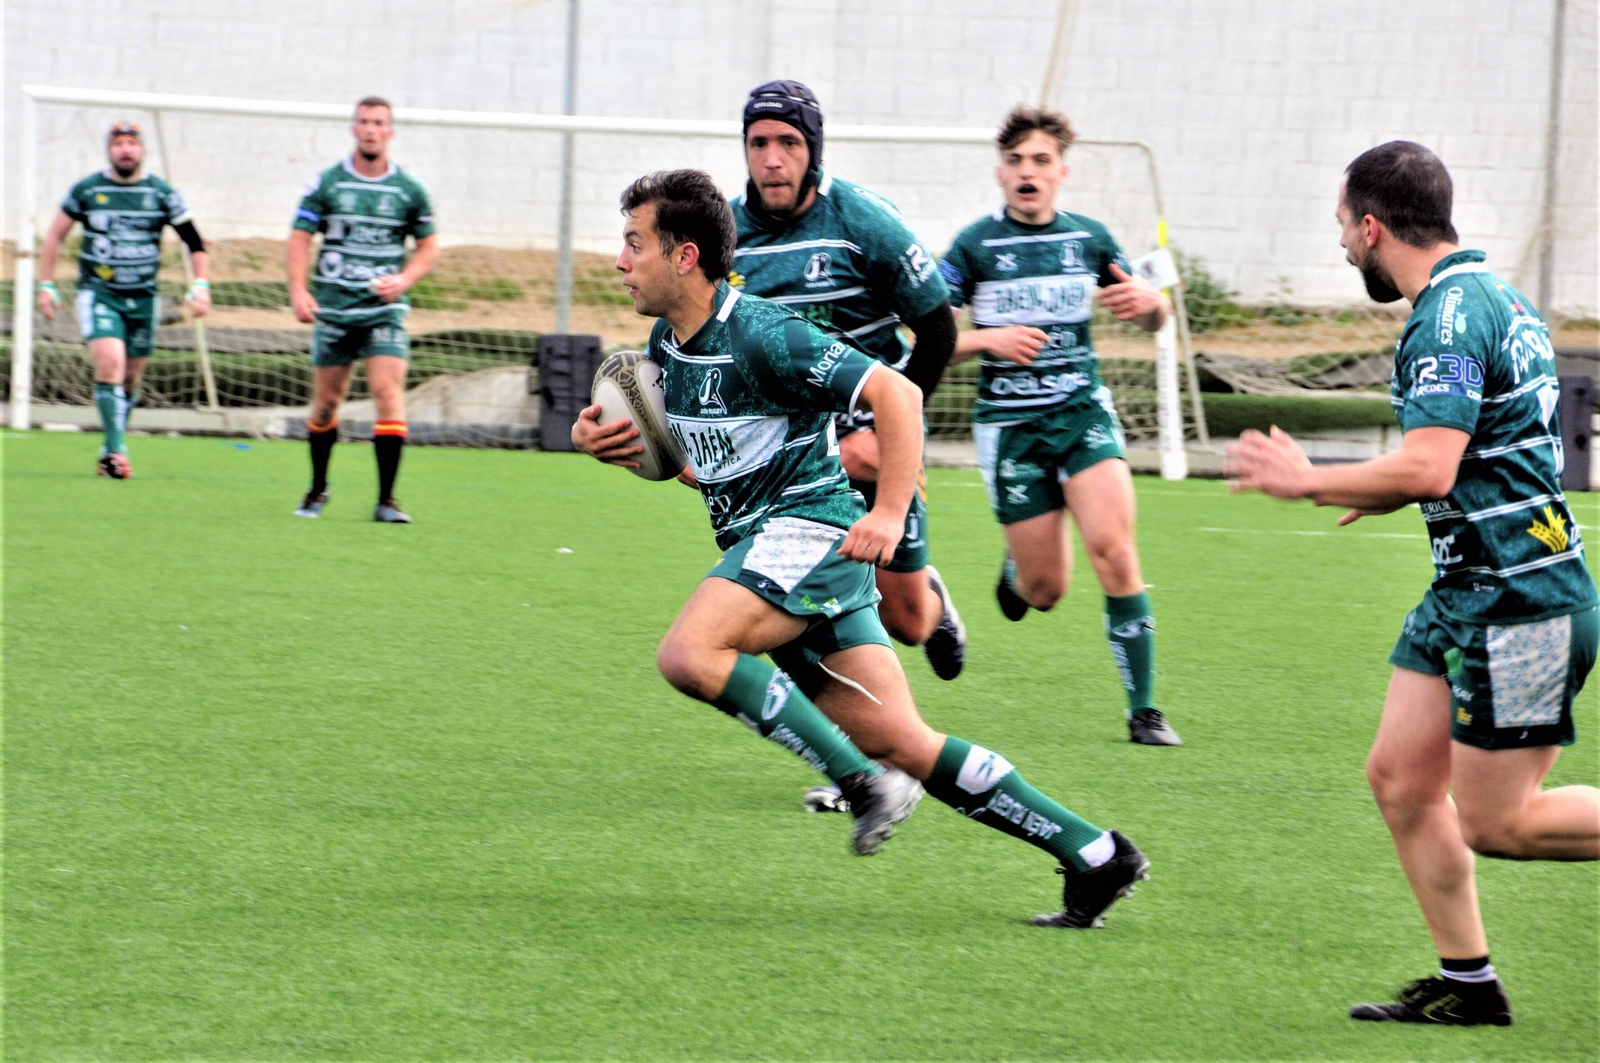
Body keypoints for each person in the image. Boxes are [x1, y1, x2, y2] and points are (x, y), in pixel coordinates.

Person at [572, 168, 1152, 929]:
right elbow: (709, 468)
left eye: (633, 242)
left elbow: (897, 395)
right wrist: (615, 446)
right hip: (773, 545)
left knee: (690, 653)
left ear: (684, 256)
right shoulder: (666, 347)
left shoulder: (765, 333)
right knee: (907, 741)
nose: (620, 260)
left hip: (808, 535)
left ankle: (857, 778)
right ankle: (1097, 853)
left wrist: (886, 511)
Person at [1229, 140, 1597, 1026]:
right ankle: (1470, 985)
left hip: (1520, 601)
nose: (1344, 249)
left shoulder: (1443, 318)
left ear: (1372, 224)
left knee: (1498, 822)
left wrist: (1310, 478)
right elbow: (1480, 455)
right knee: (1400, 778)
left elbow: (1431, 468)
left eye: (1343, 230)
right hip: (1465, 592)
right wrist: (1381, 491)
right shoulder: (1496, 297)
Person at [939, 105, 1180, 746]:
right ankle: (1018, 573)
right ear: (999, 172)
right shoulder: (973, 247)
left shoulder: (1091, 241)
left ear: (1062, 172)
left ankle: (1145, 710)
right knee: (1044, 592)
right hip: (1011, 430)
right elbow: (923, 337)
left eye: (1041, 161)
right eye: (1016, 161)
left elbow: (1155, 317)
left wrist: (1152, 309)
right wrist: (988, 340)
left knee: (1116, 551)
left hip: (1082, 416)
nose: (1028, 172)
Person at [731, 80, 966, 688]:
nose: (772, 159)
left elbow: (938, 332)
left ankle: (932, 600)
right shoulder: (726, 235)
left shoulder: (862, 221)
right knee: (800, 612)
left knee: (909, 621)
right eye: (759, 143)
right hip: (787, 458)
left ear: (814, 150)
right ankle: (862, 768)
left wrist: (892, 438)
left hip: (868, 431)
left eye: (788, 142)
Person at [288, 96, 439, 522]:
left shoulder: (408, 190)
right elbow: (299, 238)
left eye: (379, 123)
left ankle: (387, 500)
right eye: (364, 122)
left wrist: (405, 279)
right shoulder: (327, 184)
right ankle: (318, 489)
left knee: (388, 395)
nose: (371, 129)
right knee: (324, 406)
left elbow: (428, 246)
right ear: (354, 129)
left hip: (383, 312)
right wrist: (299, 291)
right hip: (334, 311)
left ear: (389, 132)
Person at [36, 121, 211, 478]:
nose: (125, 150)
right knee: (110, 364)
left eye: (132, 143)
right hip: (99, 294)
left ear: (141, 150)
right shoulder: (87, 189)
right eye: (119, 144)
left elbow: (194, 241)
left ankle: (111, 446)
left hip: (144, 299)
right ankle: (116, 453)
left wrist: (201, 284)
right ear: (109, 150)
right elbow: (55, 235)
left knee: (130, 380)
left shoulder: (161, 193)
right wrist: (47, 284)